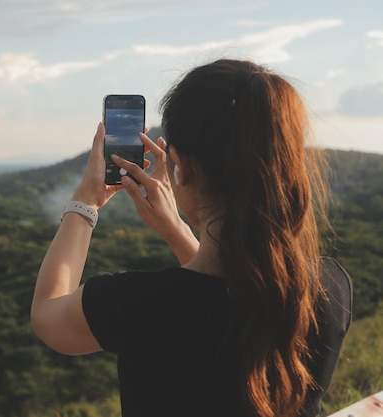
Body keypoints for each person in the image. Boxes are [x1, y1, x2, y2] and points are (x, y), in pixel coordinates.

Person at [31, 59, 352, 417]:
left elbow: (47, 315)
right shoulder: (329, 289)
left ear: (181, 166)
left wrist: (86, 200)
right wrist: (177, 231)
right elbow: (229, 289)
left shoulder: (140, 305)